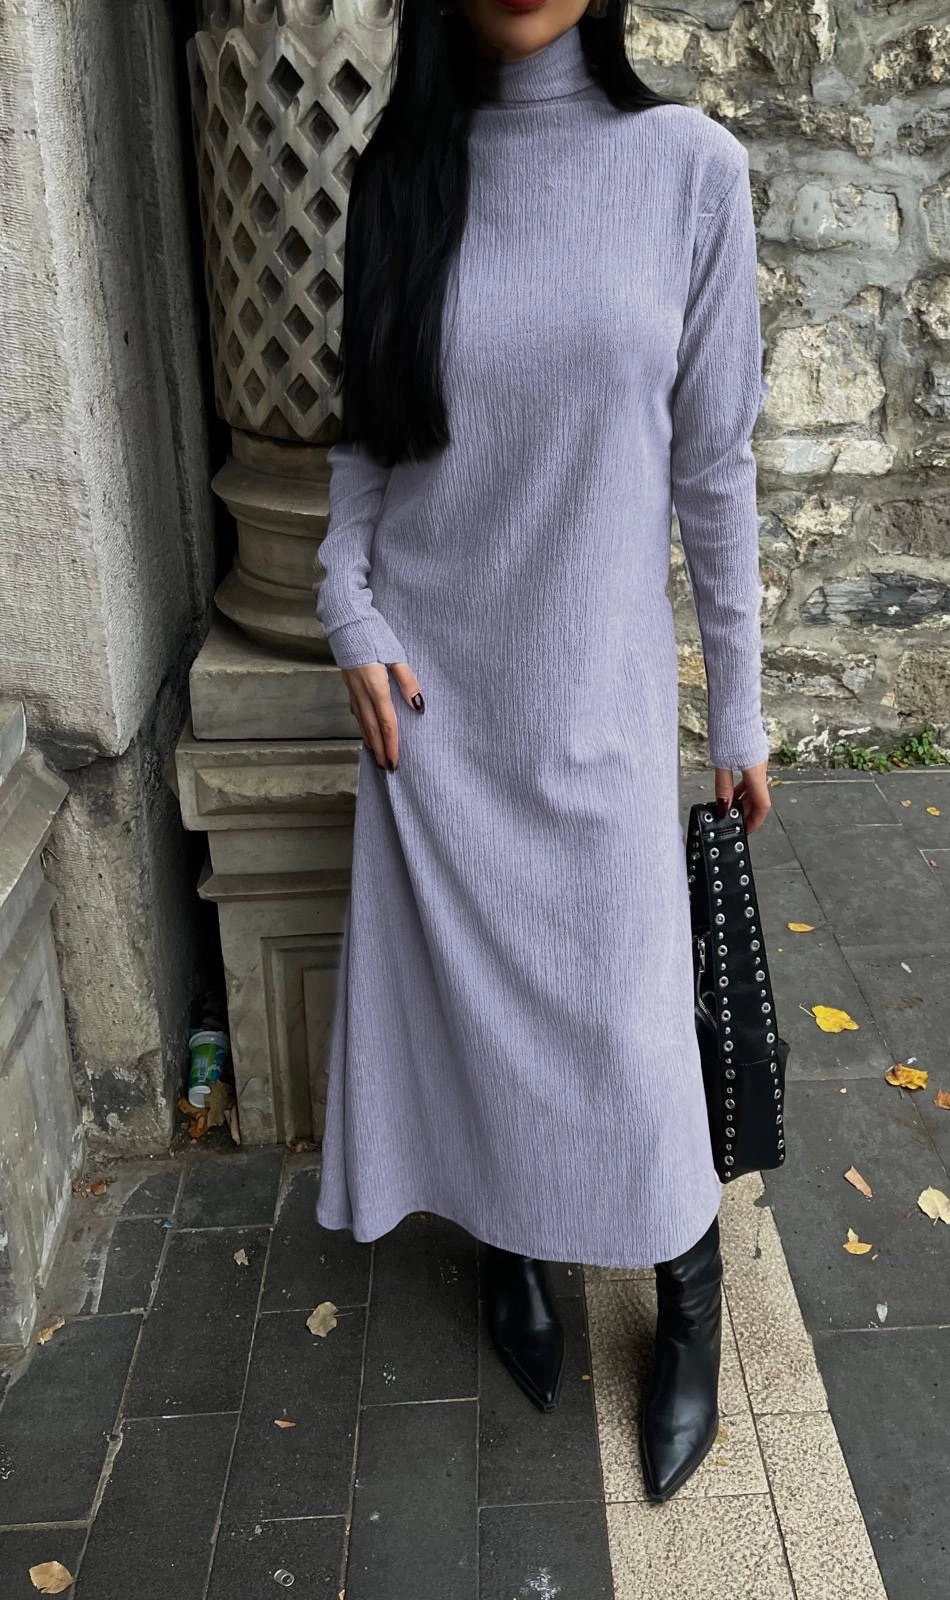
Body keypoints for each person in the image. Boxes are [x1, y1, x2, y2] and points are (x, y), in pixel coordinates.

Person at [312, 0, 771, 1503]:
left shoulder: (690, 168)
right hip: (435, 701)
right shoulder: (400, 176)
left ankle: (687, 1287)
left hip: (600, 703)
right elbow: (366, 441)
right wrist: (347, 608)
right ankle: (510, 1241)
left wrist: (741, 708)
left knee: (629, 1029)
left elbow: (714, 469)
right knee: (476, 1019)